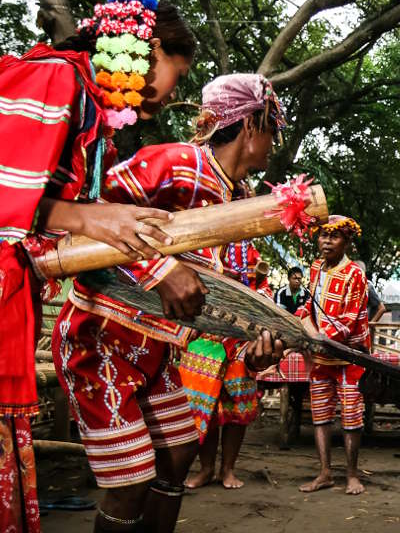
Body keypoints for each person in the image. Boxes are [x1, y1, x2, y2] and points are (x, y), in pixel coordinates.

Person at [0, 0, 197, 533]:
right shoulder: (53, 76)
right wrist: (87, 216)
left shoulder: (88, 113)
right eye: (178, 75)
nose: (172, 95)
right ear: (146, 48)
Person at [52, 73, 286, 532]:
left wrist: (253, 349)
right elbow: (89, 213)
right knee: (132, 478)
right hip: (99, 340)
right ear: (250, 125)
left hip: (157, 353)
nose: (274, 143)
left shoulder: (241, 203)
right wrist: (160, 271)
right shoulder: (176, 162)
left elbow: (227, 301)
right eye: (272, 129)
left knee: (180, 453)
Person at [182, 241, 273, 491]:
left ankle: (228, 469)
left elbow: (263, 290)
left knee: (237, 410)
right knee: (206, 410)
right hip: (204, 338)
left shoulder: (251, 250)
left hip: (240, 339)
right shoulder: (202, 244)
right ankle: (207, 469)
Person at [295, 216, 370, 496]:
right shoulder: (315, 267)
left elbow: (347, 322)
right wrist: (304, 328)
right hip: (320, 356)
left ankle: (352, 475)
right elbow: (307, 307)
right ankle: (325, 473)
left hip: (349, 356)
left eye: (334, 236)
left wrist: (314, 337)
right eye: (323, 235)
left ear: (347, 242)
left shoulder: (355, 274)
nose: (326, 241)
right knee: (320, 415)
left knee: (351, 416)